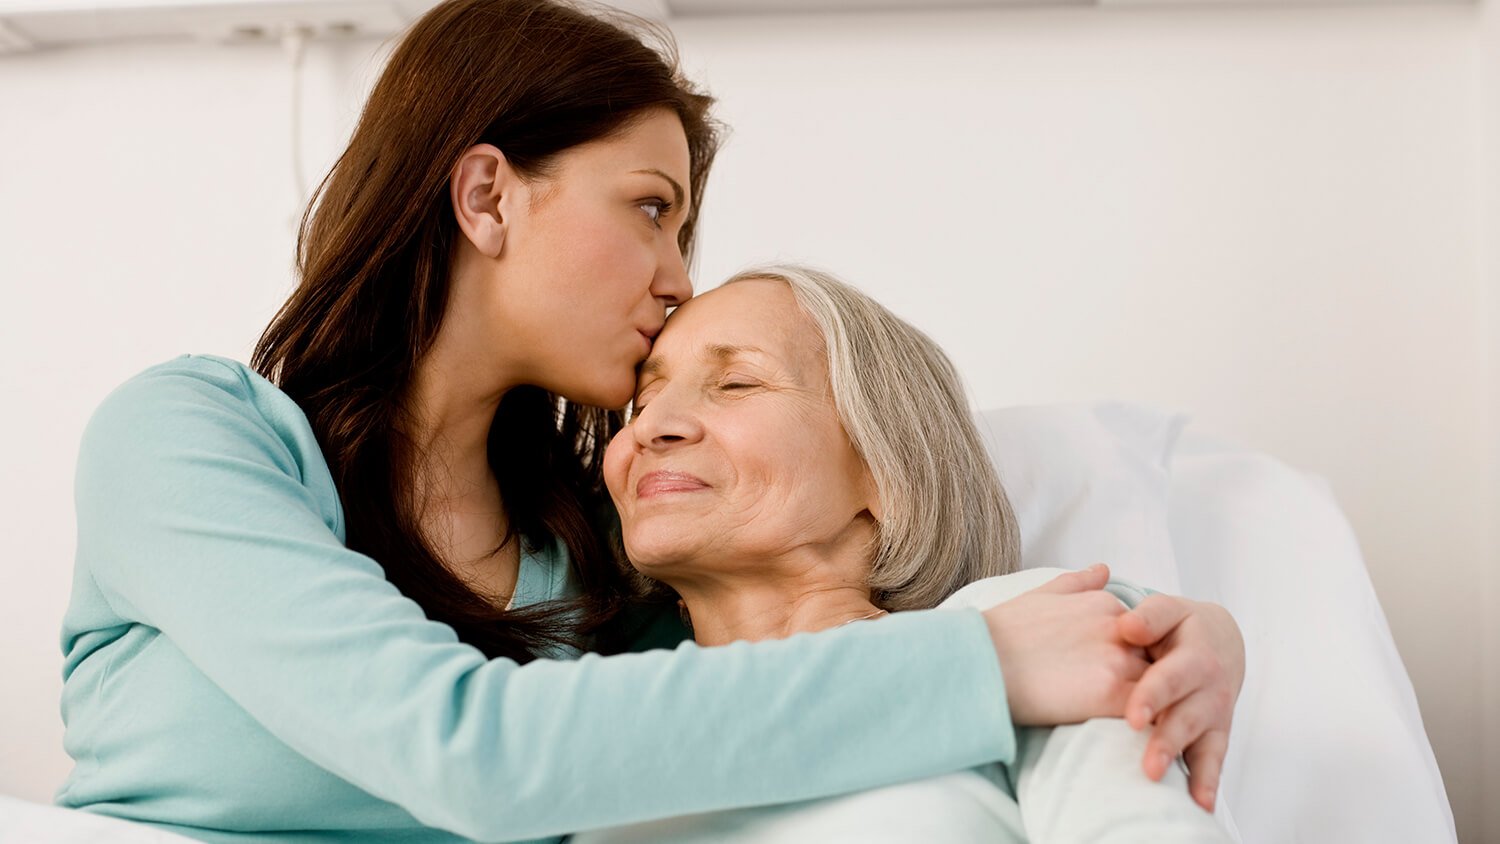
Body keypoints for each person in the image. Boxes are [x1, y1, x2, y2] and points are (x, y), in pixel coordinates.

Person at [57, 1, 1244, 841]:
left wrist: (1156, 630)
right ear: (486, 197)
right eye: (652, 210)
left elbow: (777, 669)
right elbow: (471, 750)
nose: (676, 274)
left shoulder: (592, 571)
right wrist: (986, 663)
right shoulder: (189, 436)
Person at [577, 265, 1235, 842]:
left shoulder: (1017, 632)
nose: (652, 427)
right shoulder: (605, 745)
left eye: (738, 383)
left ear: (887, 472)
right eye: (644, 398)